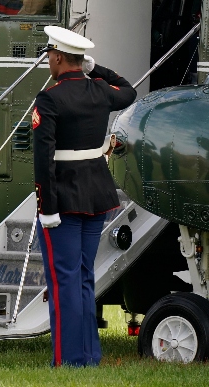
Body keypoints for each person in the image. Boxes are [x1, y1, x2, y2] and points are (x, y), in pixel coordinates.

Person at [32, 26, 137, 367]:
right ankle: (89, 355)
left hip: (62, 199)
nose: (49, 60)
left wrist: (47, 208)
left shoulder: (49, 99)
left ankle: (68, 360)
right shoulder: (100, 91)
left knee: (64, 281)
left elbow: (43, 161)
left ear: (59, 57)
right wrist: (97, 69)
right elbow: (129, 91)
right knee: (83, 277)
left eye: (50, 54)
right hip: (96, 195)